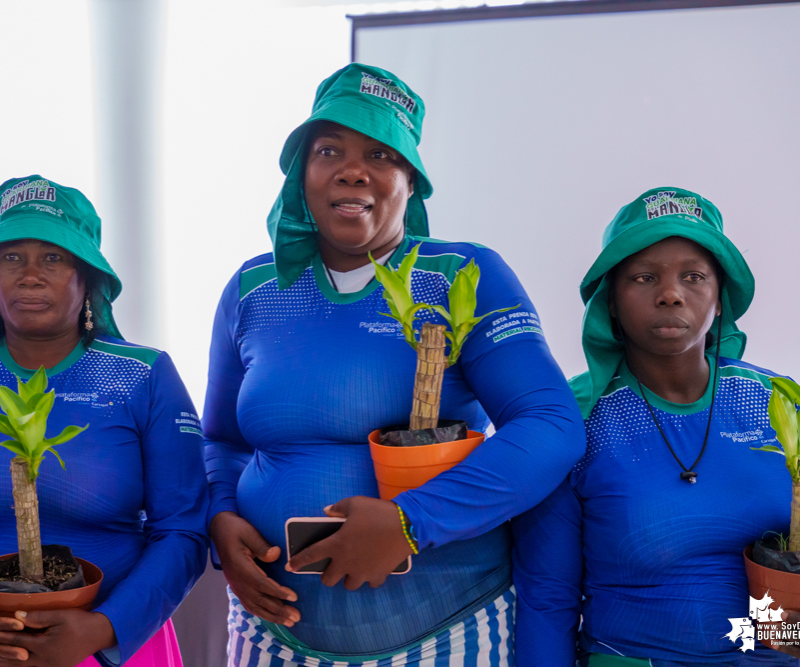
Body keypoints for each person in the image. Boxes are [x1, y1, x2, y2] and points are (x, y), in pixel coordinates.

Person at [203, 63, 585, 666]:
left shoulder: (465, 274)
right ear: (301, 173)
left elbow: (551, 426)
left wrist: (411, 522)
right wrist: (222, 520)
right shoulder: (253, 287)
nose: (353, 169)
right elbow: (221, 440)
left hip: (447, 636)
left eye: (381, 156)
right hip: (269, 640)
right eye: (329, 149)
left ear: (412, 183)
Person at [0, 176, 209, 667]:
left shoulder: (144, 376)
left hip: (115, 646)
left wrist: (102, 628)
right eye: (10, 257)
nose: (30, 275)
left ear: (87, 276)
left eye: (53, 257)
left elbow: (184, 530)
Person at [513, 187, 800, 666]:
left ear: (719, 300)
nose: (670, 294)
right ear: (610, 300)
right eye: (644, 277)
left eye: (693, 277)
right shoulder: (573, 422)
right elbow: (547, 597)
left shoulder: (785, 406)